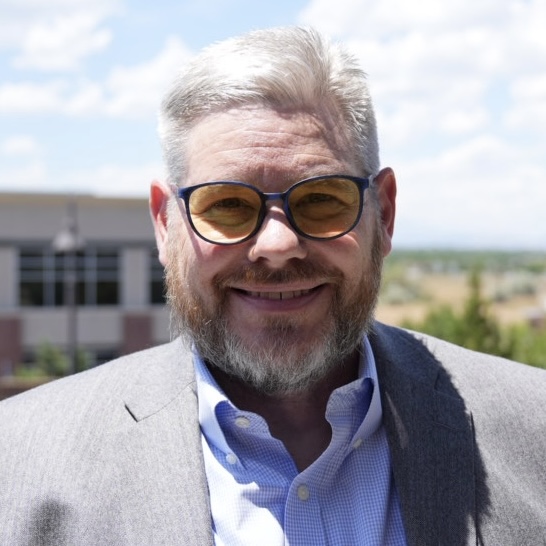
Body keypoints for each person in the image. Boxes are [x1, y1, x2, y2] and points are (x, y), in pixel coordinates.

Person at [0, 26, 545, 546]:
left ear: (385, 212)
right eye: (229, 206)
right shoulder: (18, 461)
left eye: (322, 199)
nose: (277, 245)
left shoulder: (534, 431)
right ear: (165, 225)